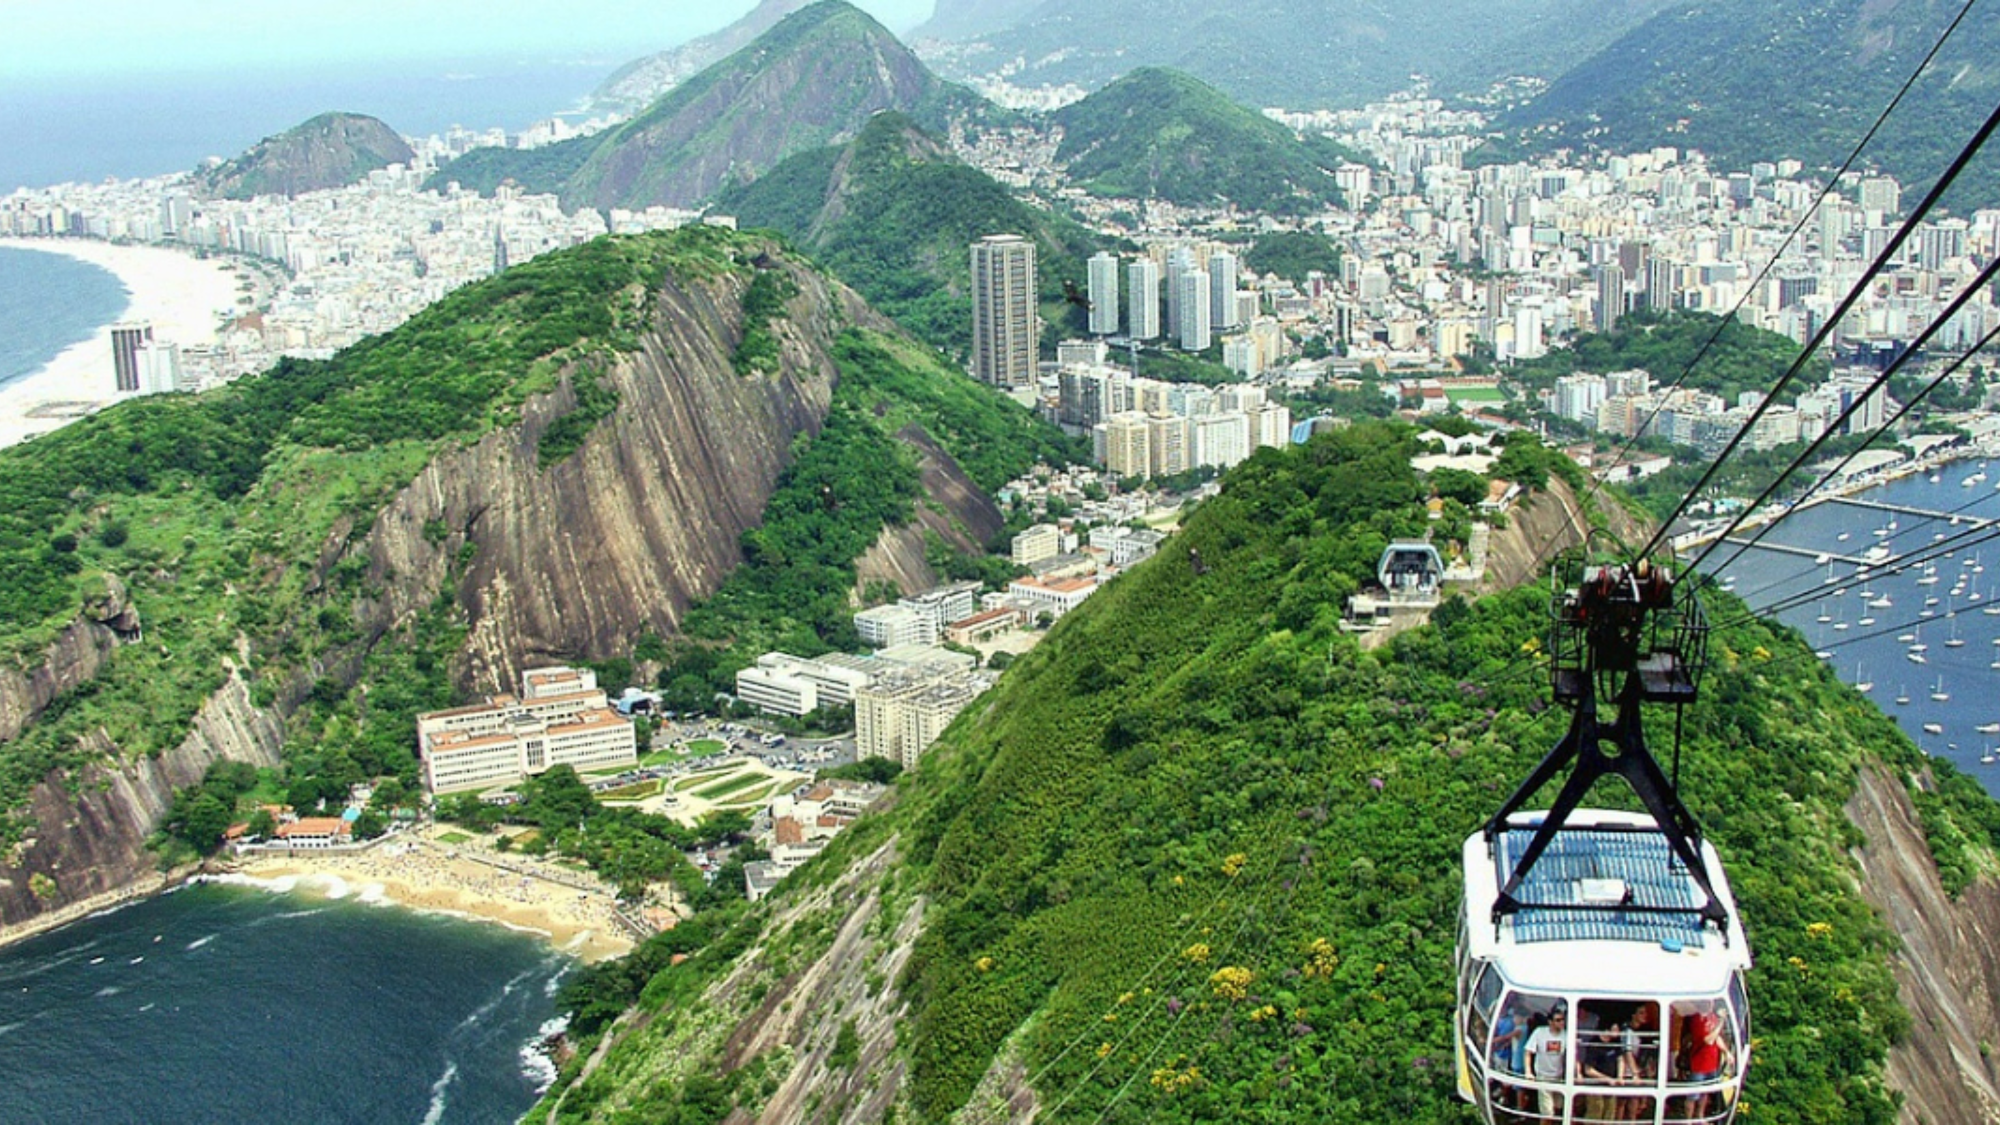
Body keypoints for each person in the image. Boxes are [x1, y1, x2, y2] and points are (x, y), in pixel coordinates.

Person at [1525, 1003, 1568, 1119]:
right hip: (1543, 1077)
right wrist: (1528, 1072)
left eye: (1563, 1020)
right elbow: (1528, 1051)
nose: (1561, 1023)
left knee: (1559, 1108)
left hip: (1559, 1078)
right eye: (1558, 1020)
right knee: (1547, 1114)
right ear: (1550, 1022)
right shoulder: (1540, 1032)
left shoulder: (1566, 1035)